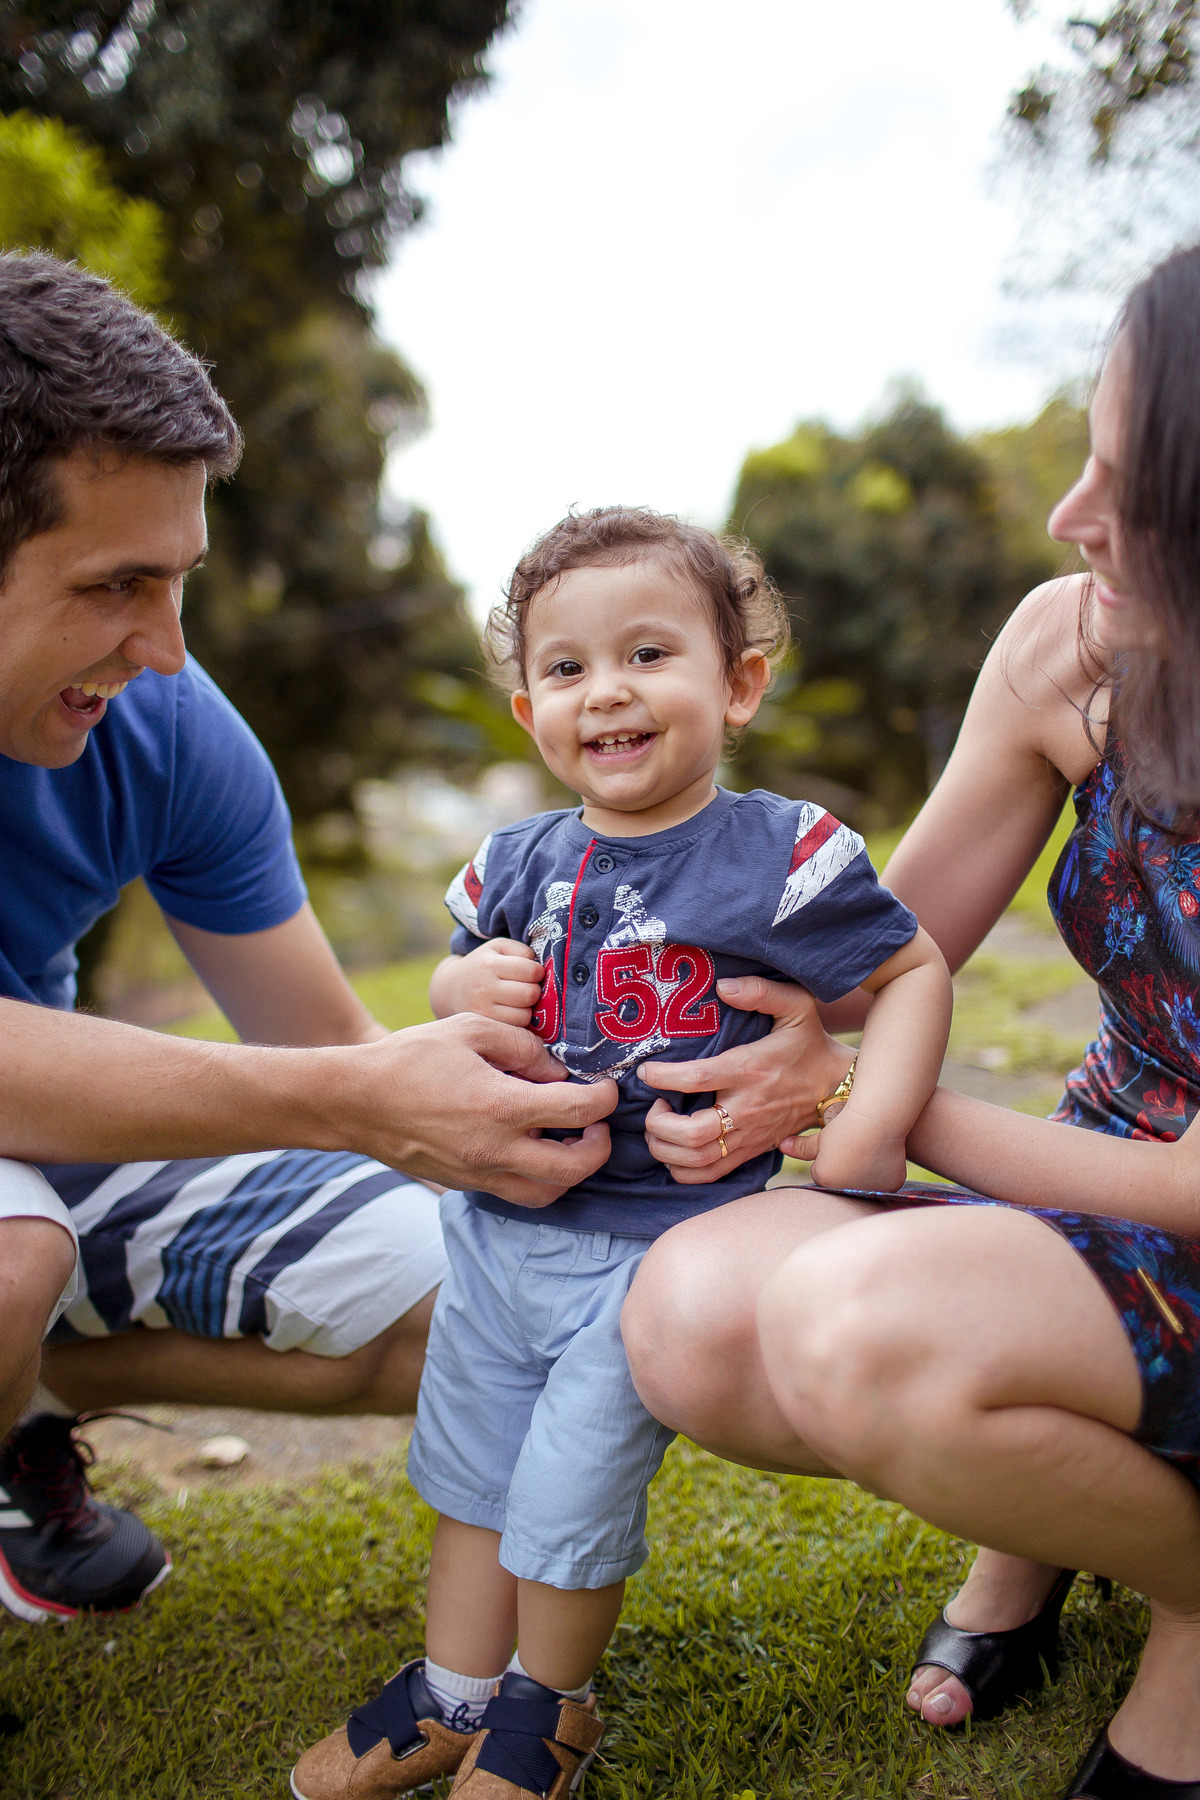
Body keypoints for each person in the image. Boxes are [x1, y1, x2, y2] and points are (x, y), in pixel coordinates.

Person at [621, 243, 1200, 1799]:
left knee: (859, 1330)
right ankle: (1055, 1523)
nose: (1073, 517)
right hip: (1110, 1204)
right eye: (1087, 455)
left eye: (1130, 489)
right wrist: (549, 943)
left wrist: (871, 1112)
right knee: (692, 1313)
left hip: (1180, 1212)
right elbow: (873, 946)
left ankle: (1197, 1608)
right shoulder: (1071, 645)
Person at [291, 506, 952, 1800]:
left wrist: (867, 1122)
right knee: (471, 1472)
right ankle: (452, 1691)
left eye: (649, 654)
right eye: (567, 667)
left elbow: (912, 966)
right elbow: (457, 979)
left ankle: (551, 1709)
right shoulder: (514, 861)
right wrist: (452, 988)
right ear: (532, 706)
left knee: (569, 1490)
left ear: (740, 681)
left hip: (653, 1251)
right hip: (498, 1229)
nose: (608, 693)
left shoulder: (781, 856)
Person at [0, 251, 618, 1627]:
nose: (163, 646)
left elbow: (331, 1058)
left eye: (179, 582)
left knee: (468, 1289)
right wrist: (350, 1094)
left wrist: (529, 1125)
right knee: (10, 1260)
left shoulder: (160, 722)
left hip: (41, 1151)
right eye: (114, 585)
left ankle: (15, 1406)